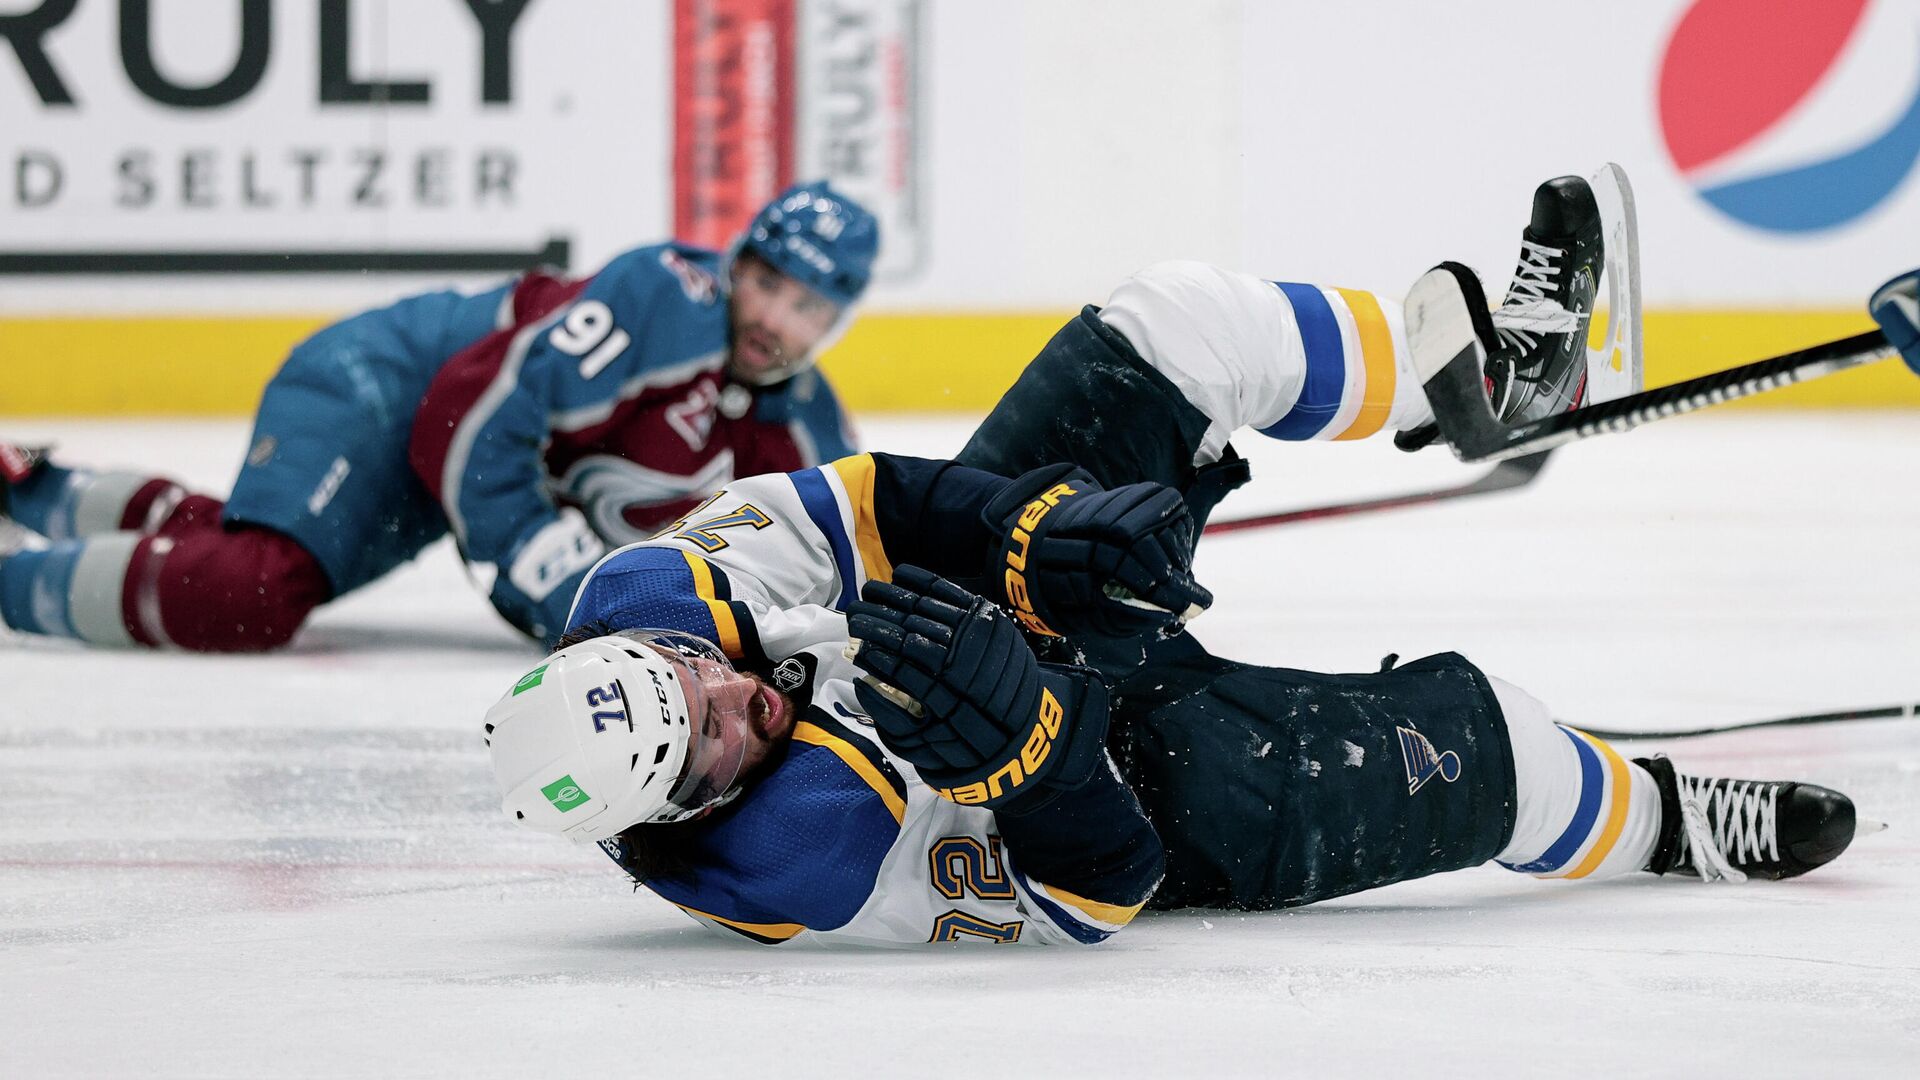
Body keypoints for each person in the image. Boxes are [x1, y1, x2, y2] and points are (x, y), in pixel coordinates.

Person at [477, 175, 1861, 946]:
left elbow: (865, 502)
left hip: (1000, 608)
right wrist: (1024, 745)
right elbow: (1094, 889)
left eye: (691, 679)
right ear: (674, 817)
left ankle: (1494, 377)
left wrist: (1026, 539)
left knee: (1171, 324)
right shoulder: (801, 862)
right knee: (1486, 744)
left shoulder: (650, 592)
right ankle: (1669, 821)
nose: (738, 702)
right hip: (1118, 770)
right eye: (714, 747)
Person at [0, 181, 878, 651]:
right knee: (256, 590)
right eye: (766, 284)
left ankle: (29, 486)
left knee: (244, 552)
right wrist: (546, 571)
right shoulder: (667, 299)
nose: (773, 320)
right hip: (390, 385)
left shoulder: (800, 421)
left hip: (440, 464)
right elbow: (465, 415)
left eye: (806, 306)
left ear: (835, 320)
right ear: (737, 264)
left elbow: (841, 553)